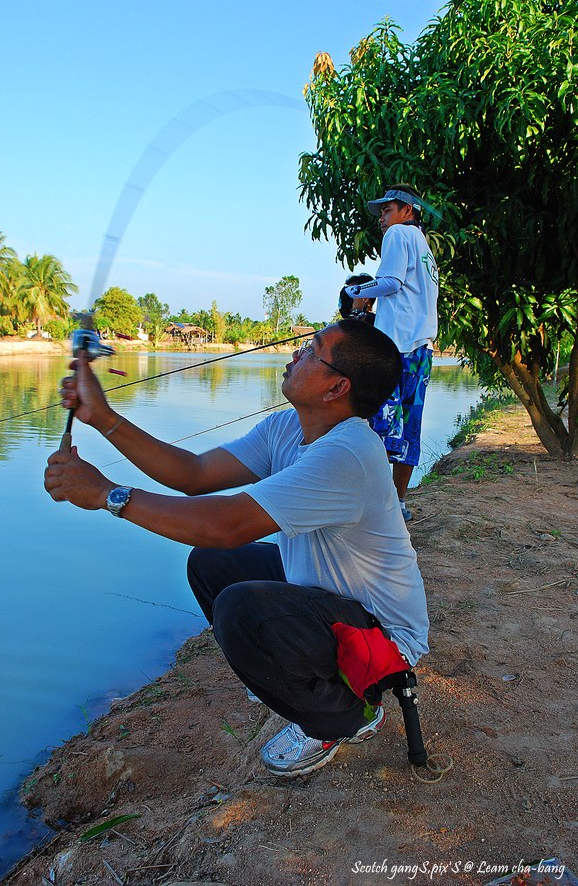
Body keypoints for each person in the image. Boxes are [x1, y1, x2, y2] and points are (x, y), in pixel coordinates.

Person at [44, 319, 429, 778]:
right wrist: (102, 417)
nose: (295, 355)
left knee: (241, 607)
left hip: (379, 639)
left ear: (336, 387)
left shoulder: (347, 455)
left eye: (311, 351)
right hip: (335, 602)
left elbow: (227, 525)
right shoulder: (290, 427)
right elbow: (194, 473)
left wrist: (109, 494)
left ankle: (346, 715)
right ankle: (300, 681)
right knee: (212, 564)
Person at [344, 183, 439, 522]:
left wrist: (354, 291)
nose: (382, 219)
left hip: (395, 348)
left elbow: (391, 282)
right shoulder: (426, 249)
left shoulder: (399, 236)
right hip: (421, 349)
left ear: (407, 211)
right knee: (410, 427)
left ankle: (374, 506)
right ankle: (397, 505)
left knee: (381, 426)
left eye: (387, 210)